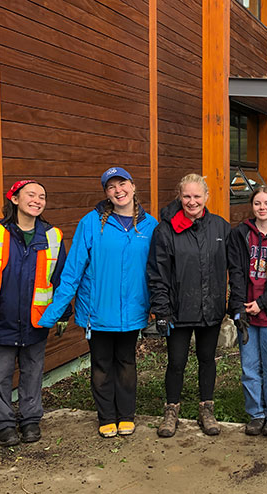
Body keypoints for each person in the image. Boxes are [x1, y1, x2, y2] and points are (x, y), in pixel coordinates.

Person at [38, 167, 158, 439]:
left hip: (132, 311)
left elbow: (157, 271)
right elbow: (72, 272)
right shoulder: (90, 223)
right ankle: (106, 416)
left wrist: (159, 308)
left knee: (126, 362)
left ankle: (126, 415)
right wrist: (51, 314)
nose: (118, 190)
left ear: (133, 186)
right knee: (102, 364)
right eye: (111, 187)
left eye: (122, 184)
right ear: (106, 193)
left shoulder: (149, 226)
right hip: (97, 312)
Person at [0, 180, 70, 447]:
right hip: (0, 320)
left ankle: (31, 419)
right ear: (14, 199)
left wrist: (63, 313)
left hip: (36, 320)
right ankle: (3, 422)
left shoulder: (52, 236)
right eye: (30, 195)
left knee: (33, 372)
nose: (37, 200)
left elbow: (60, 279)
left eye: (42, 196)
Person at [147, 174, 230, 438]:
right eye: (187, 196)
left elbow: (235, 266)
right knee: (176, 362)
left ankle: (206, 408)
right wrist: (161, 310)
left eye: (197, 196)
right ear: (179, 197)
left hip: (211, 308)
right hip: (178, 310)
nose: (192, 202)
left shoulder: (220, 227)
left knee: (207, 359)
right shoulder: (165, 230)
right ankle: (171, 410)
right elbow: (157, 272)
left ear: (207, 197)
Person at [228, 186, 267, 437]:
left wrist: (263, 303)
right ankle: (256, 413)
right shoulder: (241, 234)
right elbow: (236, 271)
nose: (262, 208)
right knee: (249, 367)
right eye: (257, 203)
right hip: (247, 311)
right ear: (252, 206)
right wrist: (238, 306)